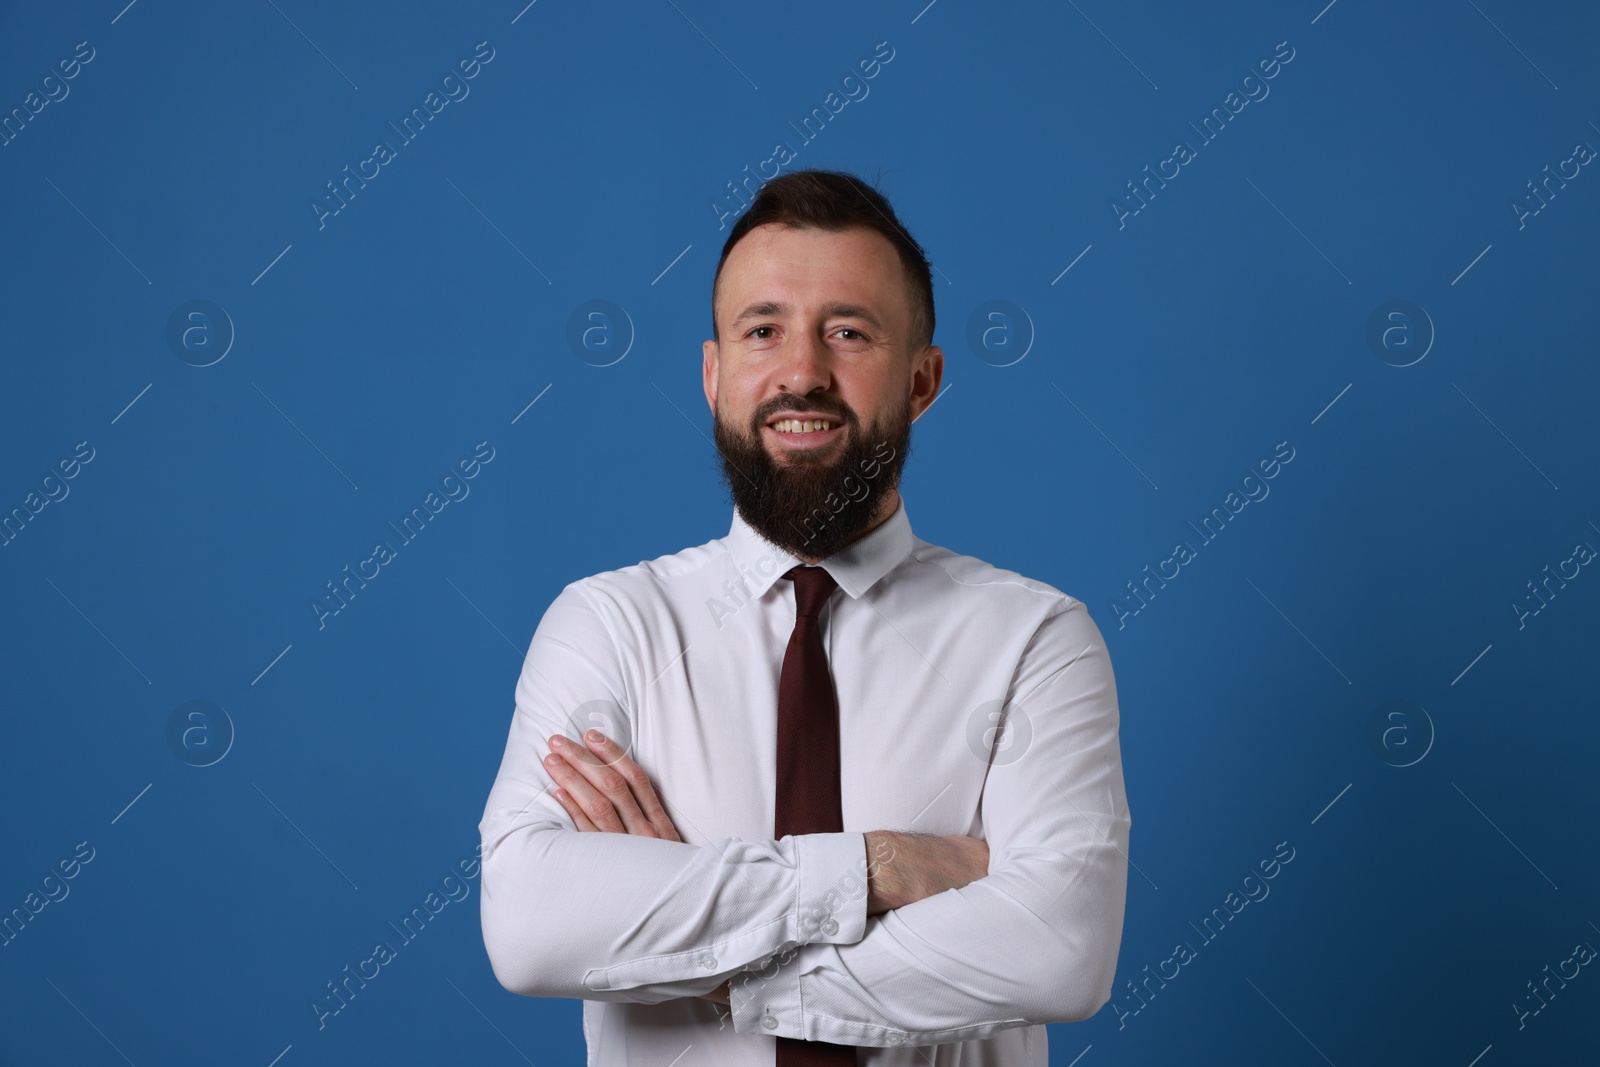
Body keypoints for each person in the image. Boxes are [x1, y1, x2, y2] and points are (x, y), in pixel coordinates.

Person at [478, 169, 1130, 1065]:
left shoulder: (1034, 641)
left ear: (922, 379)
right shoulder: (609, 627)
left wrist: (706, 953)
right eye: (763, 330)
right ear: (713, 376)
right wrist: (878, 870)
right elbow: (530, 924)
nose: (801, 373)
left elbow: (1061, 952)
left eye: (849, 333)